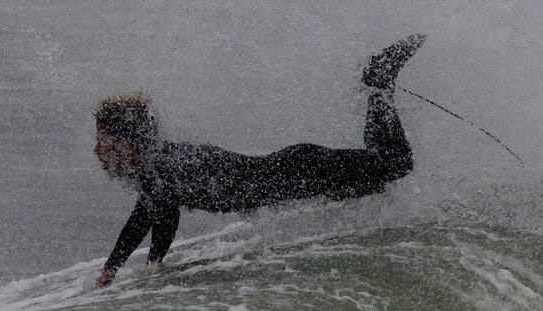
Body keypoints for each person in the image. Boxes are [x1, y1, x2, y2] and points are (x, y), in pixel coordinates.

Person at [92, 34, 426, 288]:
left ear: (128, 141)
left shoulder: (160, 166)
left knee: (396, 164)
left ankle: (379, 82)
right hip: (295, 174)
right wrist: (111, 268)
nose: (97, 151)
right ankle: (378, 84)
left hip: (298, 171)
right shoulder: (159, 164)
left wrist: (152, 265)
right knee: (383, 171)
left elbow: (164, 215)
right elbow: (145, 217)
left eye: (103, 140)